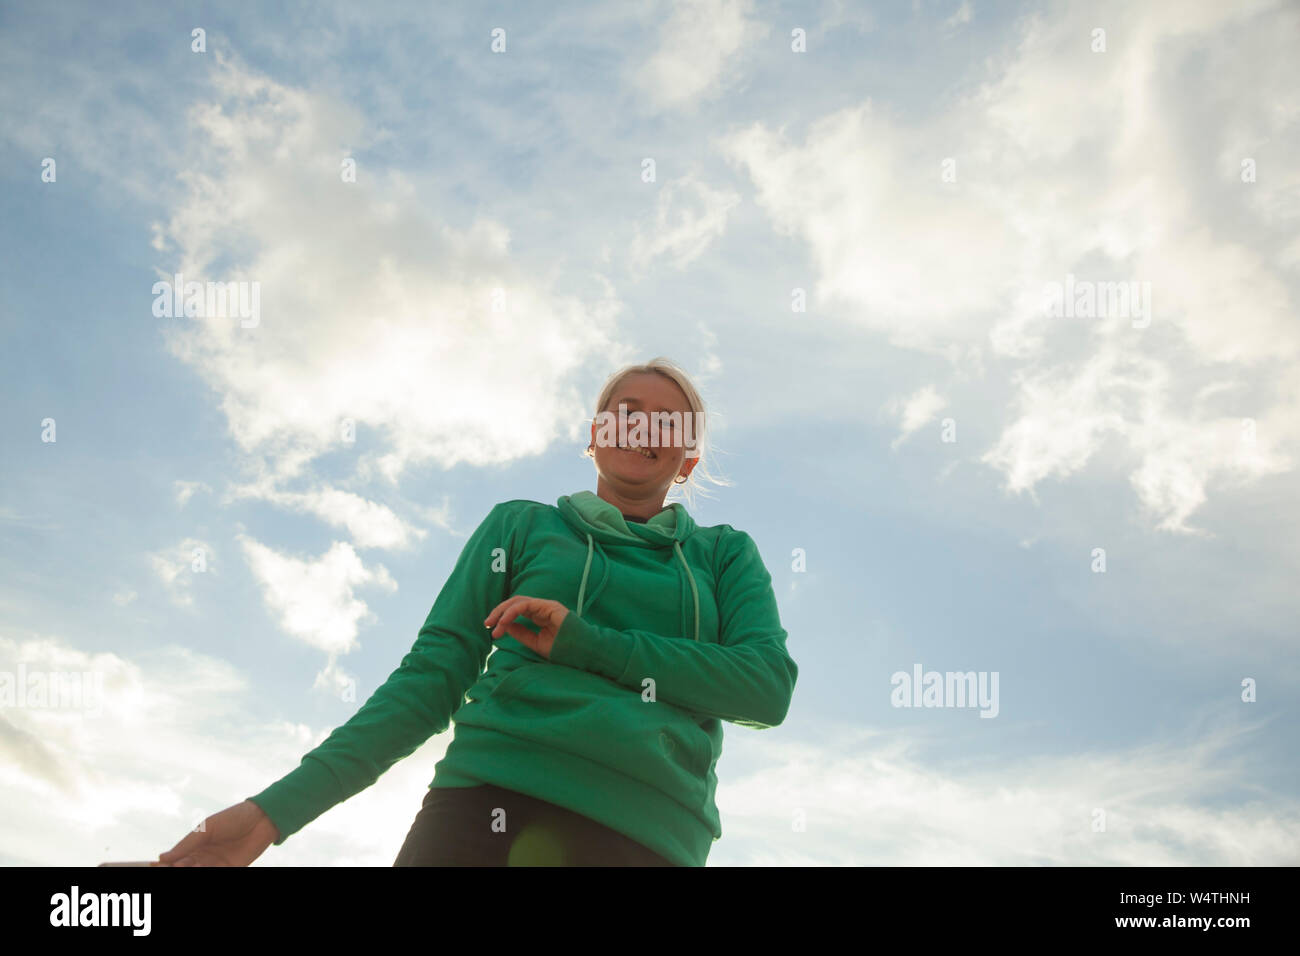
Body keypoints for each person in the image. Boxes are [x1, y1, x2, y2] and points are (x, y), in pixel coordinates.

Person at [157, 357, 797, 867]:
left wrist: (586, 644)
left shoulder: (725, 556)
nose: (641, 428)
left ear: (688, 459)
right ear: (595, 436)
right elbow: (430, 679)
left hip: (652, 839)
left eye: (666, 422)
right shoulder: (519, 527)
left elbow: (765, 687)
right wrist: (273, 813)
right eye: (625, 413)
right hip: (482, 810)